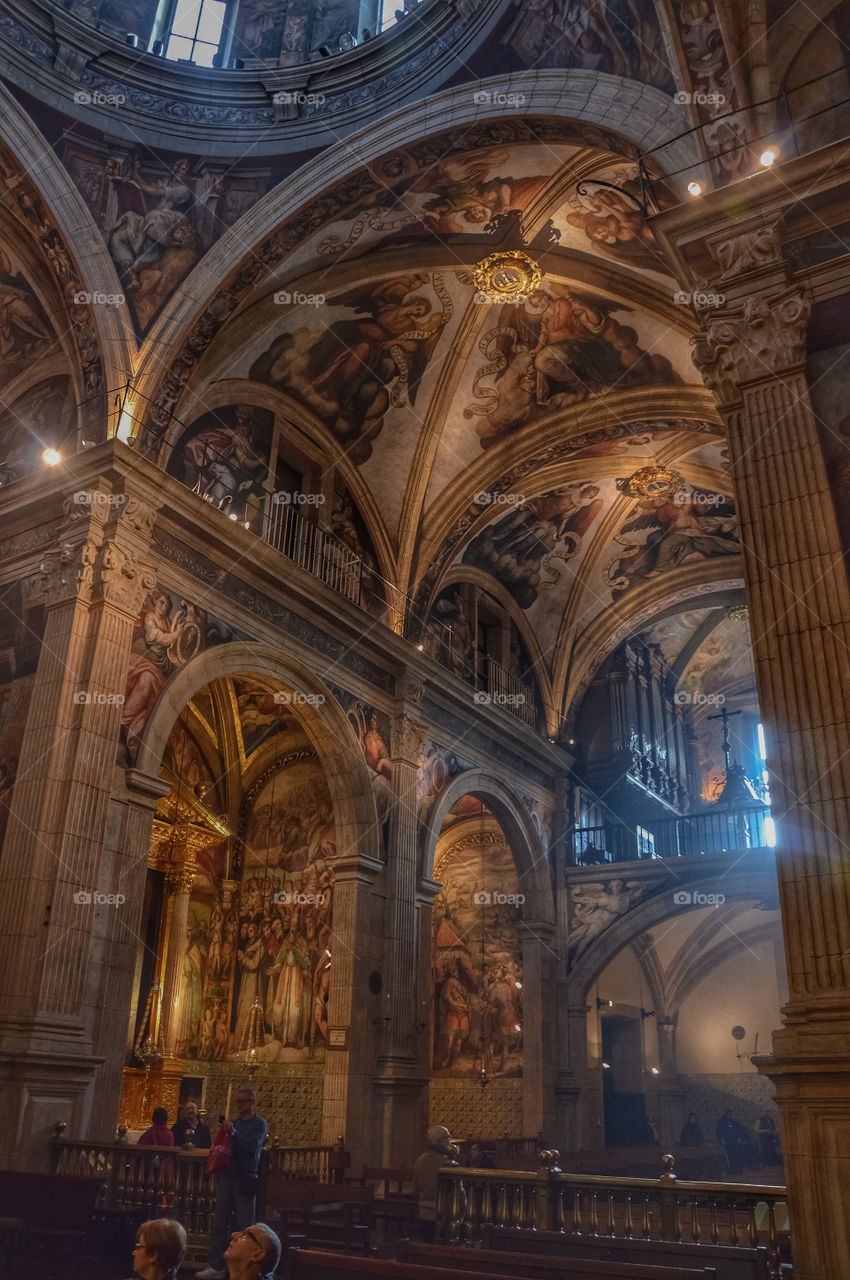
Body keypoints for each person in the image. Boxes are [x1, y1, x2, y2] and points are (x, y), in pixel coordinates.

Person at [197, 1088, 268, 1280]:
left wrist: (234, 1134)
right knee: (220, 1222)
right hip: (228, 1176)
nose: (238, 1105)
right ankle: (216, 1266)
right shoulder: (234, 1123)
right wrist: (224, 1134)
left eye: (242, 1102)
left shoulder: (259, 1125)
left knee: (245, 1226)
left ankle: (244, 1268)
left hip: (245, 1177)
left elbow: (253, 1147)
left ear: (252, 1102)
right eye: (237, 1102)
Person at [413, 1124, 453, 1242]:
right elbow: (454, 1189)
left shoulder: (420, 1159)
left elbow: (415, 1186)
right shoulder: (446, 1162)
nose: (449, 1142)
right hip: (442, 1211)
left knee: (427, 1241)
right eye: (447, 1138)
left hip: (424, 1210)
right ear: (440, 1141)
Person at [716, 1110, 745, 1174]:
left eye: (731, 1114)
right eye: (728, 1114)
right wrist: (721, 1139)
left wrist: (739, 1138)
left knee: (736, 1156)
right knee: (729, 1157)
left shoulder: (734, 1122)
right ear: (725, 1114)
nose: (730, 1115)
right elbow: (719, 1132)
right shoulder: (721, 1122)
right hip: (726, 1143)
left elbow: (738, 1130)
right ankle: (730, 1170)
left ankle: (736, 1169)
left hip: (735, 1142)